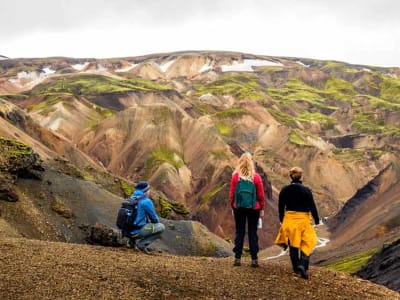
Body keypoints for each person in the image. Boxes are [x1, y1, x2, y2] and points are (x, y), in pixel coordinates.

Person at [274, 167, 320, 279]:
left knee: (293, 244)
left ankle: (296, 267)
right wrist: (317, 220)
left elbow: (281, 207)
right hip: (303, 220)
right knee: (307, 242)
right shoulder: (306, 190)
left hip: (289, 219)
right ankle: (303, 265)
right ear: (301, 177)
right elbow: (312, 206)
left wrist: (282, 220)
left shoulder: (284, 190)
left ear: (290, 176)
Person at [229, 152, 265, 267]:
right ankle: (254, 259)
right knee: (252, 233)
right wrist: (262, 208)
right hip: (254, 208)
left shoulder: (235, 177)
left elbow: (232, 194)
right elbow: (261, 195)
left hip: (239, 208)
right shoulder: (256, 177)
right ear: (251, 163)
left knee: (240, 232)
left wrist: (233, 206)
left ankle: (237, 258)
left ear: (240, 162)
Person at [127, 181, 165, 254]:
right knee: (161, 227)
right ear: (145, 191)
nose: (149, 191)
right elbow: (155, 220)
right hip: (136, 232)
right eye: (148, 189)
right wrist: (149, 223)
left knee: (136, 221)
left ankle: (131, 242)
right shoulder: (146, 201)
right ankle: (142, 244)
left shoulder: (130, 199)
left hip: (126, 231)